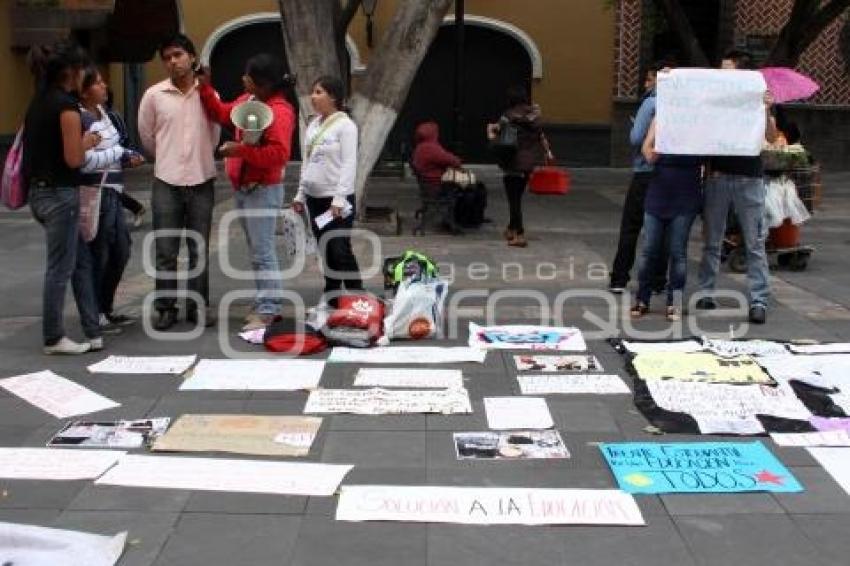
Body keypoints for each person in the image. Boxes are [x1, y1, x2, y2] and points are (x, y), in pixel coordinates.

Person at [198, 53, 296, 331]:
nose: (243, 80)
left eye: (248, 77)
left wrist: (240, 150)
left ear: (262, 83)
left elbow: (278, 154)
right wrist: (206, 88)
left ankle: (269, 308)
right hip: (245, 188)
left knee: (263, 251)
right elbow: (221, 112)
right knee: (256, 249)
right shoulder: (248, 102)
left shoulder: (279, 111)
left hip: (262, 189)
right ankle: (265, 299)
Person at [22, 41, 103, 354]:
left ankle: (93, 330)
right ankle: (53, 336)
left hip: (39, 193)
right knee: (60, 267)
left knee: (79, 260)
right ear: (72, 72)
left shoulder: (38, 101)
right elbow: (73, 159)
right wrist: (87, 141)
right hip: (61, 196)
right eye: (83, 68)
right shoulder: (66, 108)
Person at [138, 33, 221, 330]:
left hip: (201, 180)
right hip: (166, 181)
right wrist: (169, 159)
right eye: (167, 58)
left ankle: (197, 307)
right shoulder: (154, 96)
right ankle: (165, 307)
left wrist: (196, 160)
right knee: (166, 249)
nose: (173, 62)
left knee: (198, 248)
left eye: (178, 55)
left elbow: (214, 136)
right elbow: (148, 137)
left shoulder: (208, 94)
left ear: (192, 57)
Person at [696, 49, 778, 324]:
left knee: (754, 241)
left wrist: (767, 110)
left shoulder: (758, 99)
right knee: (712, 240)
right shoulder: (717, 101)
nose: (722, 74)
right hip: (719, 177)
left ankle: (758, 299)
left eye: (727, 69)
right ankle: (706, 291)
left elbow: (770, 136)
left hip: (749, 179)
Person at [77, 65, 145, 334]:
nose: (104, 86)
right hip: (96, 191)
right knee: (100, 251)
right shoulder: (80, 119)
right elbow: (83, 161)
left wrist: (126, 156)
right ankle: (94, 312)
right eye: (98, 83)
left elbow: (119, 147)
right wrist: (118, 153)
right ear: (83, 92)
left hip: (114, 191)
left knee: (120, 249)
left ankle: (104, 307)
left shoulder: (107, 115)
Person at [292, 75, 362, 308]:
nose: (313, 96)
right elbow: (307, 162)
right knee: (325, 248)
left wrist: (340, 198)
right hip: (314, 199)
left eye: (319, 92)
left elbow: (349, 164)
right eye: (313, 92)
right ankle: (332, 294)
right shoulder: (312, 125)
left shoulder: (346, 126)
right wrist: (300, 195)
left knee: (340, 247)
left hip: (336, 201)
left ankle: (358, 296)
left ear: (333, 97)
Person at [631, 118, 704, 321]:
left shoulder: (698, 123)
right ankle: (642, 299)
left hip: (686, 195)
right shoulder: (662, 118)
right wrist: (650, 154)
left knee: (678, 252)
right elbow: (646, 147)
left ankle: (675, 302)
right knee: (649, 250)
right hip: (658, 193)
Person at [609, 62, 672, 294]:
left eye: (648, 79)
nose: (645, 84)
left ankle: (619, 277)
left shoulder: (650, 102)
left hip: (645, 171)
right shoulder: (680, 106)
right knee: (663, 228)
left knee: (631, 226)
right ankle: (658, 279)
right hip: (670, 174)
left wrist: (640, 130)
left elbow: (636, 139)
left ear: (657, 81)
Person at [487, 85, 553, 248]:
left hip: (512, 161)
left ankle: (520, 233)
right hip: (528, 163)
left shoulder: (508, 115)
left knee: (514, 200)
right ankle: (511, 228)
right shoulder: (534, 115)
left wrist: (489, 131)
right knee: (517, 196)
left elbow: (496, 132)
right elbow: (541, 135)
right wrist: (548, 152)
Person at [105, 90, 147, 228]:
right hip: (113, 155)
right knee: (111, 188)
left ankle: (135, 209)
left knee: (111, 189)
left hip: (116, 155)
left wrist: (125, 156)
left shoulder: (110, 116)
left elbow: (121, 137)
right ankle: (134, 209)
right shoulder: (107, 115)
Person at [411, 121, 461, 187]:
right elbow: (453, 161)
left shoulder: (420, 147)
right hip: (436, 182)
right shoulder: (430, 148)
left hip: (429, 182)